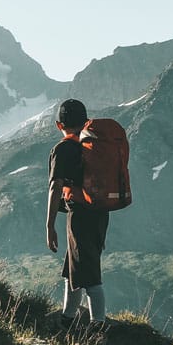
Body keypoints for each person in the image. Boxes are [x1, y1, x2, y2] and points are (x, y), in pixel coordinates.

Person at [46, 98, 109, 330]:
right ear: (85, 122)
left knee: (90, 274)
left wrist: (50, 225)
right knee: (72, 269)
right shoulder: (94, 146)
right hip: (100, 213)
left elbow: (55, 188)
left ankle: (98, 327)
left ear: (59, 125)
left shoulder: (63, 149)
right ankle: (67, 318)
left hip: (80, 216)